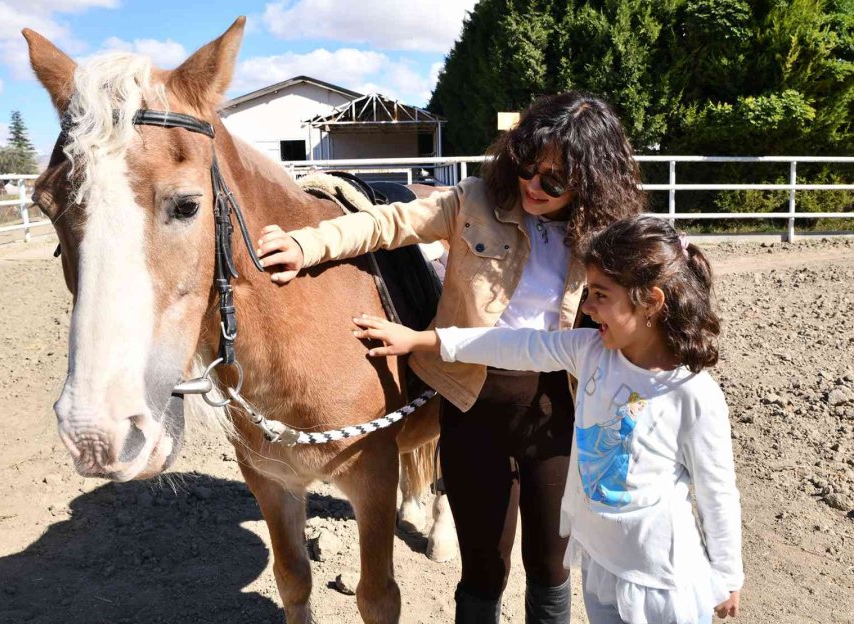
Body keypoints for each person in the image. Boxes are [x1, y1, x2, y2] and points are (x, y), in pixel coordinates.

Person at [256, 92, 645, 623]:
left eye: (553, 181)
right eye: (527, 166)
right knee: (484, 565)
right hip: (472, 402)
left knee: (552, 566)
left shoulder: (602, 238)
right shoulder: (474, 201)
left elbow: (650, 294)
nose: (532, 185)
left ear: (590, 183)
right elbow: (384, 223)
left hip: (560, 409)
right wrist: (308, 244)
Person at [350, 215, 744, 624]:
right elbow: (514, 344)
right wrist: (423, 340)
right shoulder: (591, 352)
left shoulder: (693, 394)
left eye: (599, 295)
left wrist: (728, 574)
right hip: (600, 567)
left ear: (651, 301)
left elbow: (717, 492)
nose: (587, 308)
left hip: (662, 583)